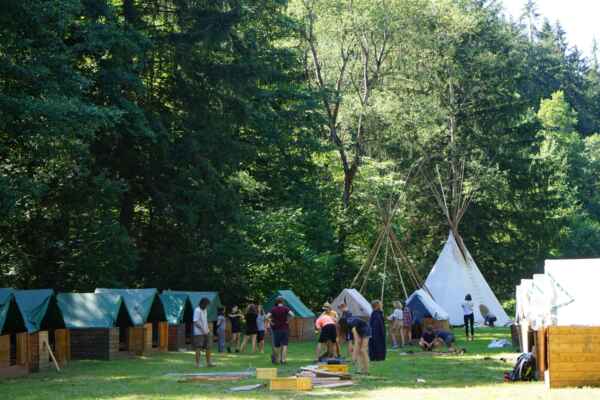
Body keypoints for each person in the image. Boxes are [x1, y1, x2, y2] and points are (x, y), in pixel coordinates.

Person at [266, 296, 294, 364]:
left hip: (276, 329)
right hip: (285, 329)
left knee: (277, 345)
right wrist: (288, 321)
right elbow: (293, 315)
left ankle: (276, 360)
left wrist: (271, 322)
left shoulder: (273, 309)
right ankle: (283, 360)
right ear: (282, 302)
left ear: (276, 302)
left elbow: (266, 317)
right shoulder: (286, 308)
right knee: (285, 345)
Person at [193, 297, 215, 367]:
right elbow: (195, 322)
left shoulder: (205, 310)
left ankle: (208, 363)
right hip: (199, 333)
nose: (207, 306)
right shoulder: (197, 310)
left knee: (208, 347)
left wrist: (208, 330)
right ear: (203, 304)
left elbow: (205, 321)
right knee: (198, 347)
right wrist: (203, 330)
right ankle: (197, 364)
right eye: (207, 305)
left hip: (206, 332)